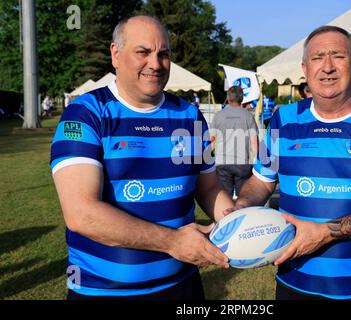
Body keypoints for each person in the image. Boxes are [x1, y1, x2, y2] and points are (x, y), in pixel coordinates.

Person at [229, 25, 351, 300]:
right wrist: (241, 209)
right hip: (294, 282)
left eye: (338, 56)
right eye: (318, 57)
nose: (327, 67)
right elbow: (261, 180)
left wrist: (325, 233)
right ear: (305, 69)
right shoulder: (283, 119)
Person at [50, 15, 233, 300]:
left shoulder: (189, 114)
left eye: (164, 54)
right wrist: (172, 242)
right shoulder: (86, 113)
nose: (155, 64)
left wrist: (240, 224)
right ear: (116, 54)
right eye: (143, 52)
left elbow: (208, 187)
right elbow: (81, 213)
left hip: (182, 285)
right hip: (103, 291)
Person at [210, 86, 258, 198]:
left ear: (228, 97)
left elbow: (211, 139)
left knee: (225, 199)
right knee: (243, 199)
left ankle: (225, 216)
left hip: (222, 163)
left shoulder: (218, 115)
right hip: (243, 163)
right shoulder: (248, 116)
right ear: (242, 98)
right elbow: (254, 142)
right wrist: (259, 161)